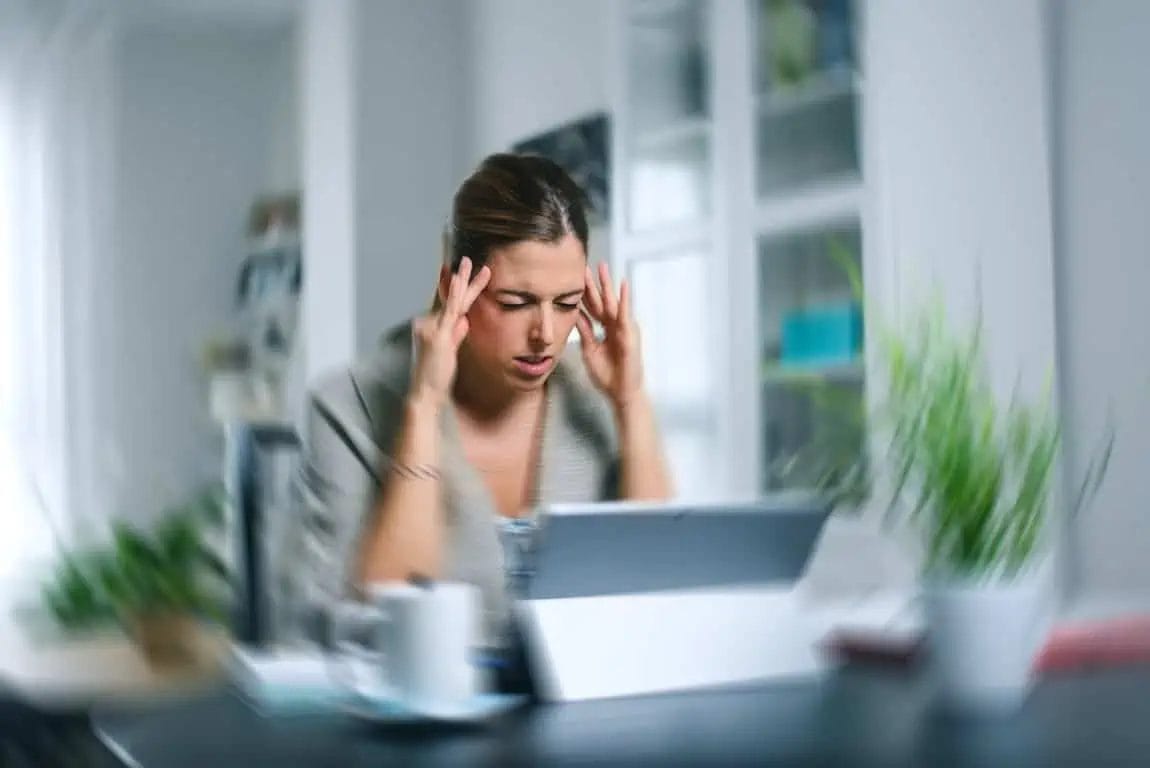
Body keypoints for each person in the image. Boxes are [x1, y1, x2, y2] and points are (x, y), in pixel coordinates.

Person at [303, 153, 672, 652]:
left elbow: (658, 588)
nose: (545, 334)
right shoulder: (348, 405)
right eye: (516, 302)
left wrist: (630, 401)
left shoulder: (594, 392)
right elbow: (378, 622)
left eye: (566, 303)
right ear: (453, 286)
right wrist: (425, 408)